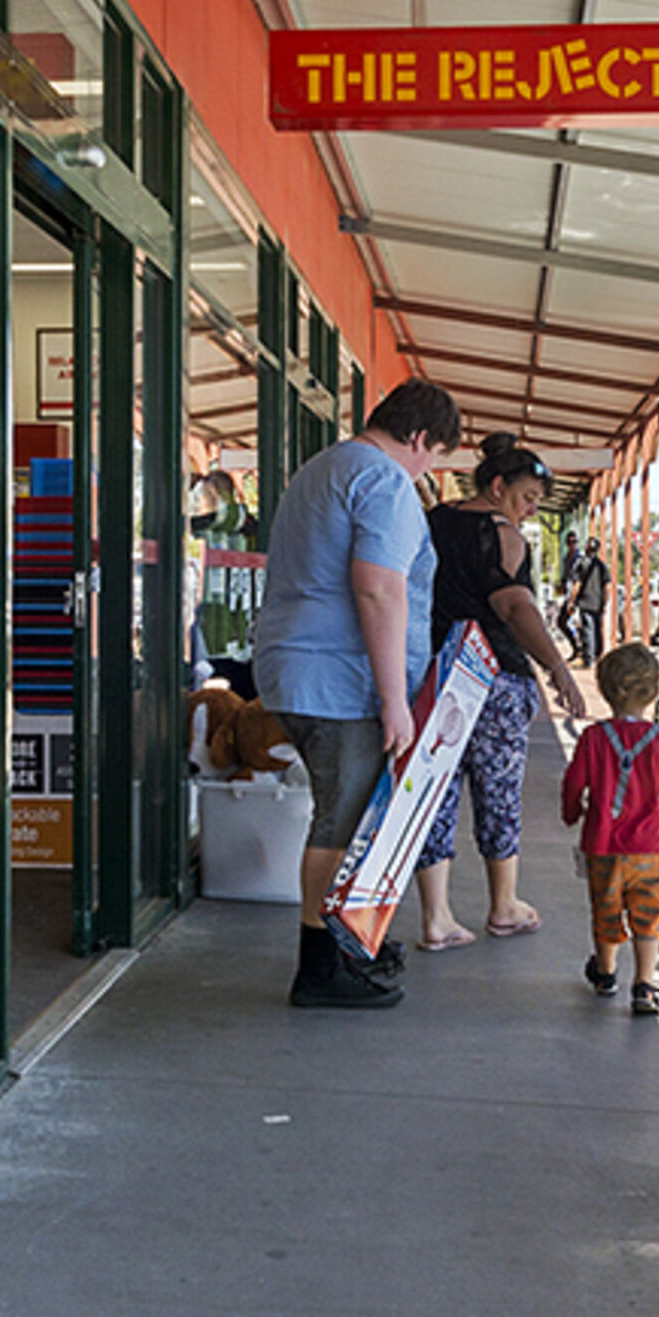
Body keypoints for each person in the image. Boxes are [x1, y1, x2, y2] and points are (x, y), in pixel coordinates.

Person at [252, 377, 463, 1009]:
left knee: (341, 819)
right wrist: (395, 697)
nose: (428, 472)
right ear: (420, 438)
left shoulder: (324, 467)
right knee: (340, 825)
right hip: (339, 682)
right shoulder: (385, 481)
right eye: (433, 457)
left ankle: (345, 948)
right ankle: (320, 969)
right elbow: (379, 588)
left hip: (296, 667)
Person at [409, 435, 586, 950]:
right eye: (527, 496)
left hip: (437, 671)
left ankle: (436, 918)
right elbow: (513, 607)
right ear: (497, 486)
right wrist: (557, 667)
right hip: (494, 676)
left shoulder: (434, 520)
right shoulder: (502, 534)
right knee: (499, 790)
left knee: (436, 790)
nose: (531, 510)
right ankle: (503, 905)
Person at [561, 641, 659, 1016]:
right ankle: (644, 985)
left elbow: (573, 783)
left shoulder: (593, 738)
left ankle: (606, 973)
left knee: (607, 909)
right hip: (648, 845)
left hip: (602, 843)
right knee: (648, 914)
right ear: (655, 693)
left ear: (603, 689)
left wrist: (571, 813)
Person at [568, 533, 609, 664]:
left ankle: (589, 658)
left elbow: (577, 584)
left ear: (586, 548)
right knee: (597, 629)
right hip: (597, 602)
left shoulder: (581, 563)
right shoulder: (601, 565)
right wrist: (604, 602)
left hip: (585, 601)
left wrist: (571, 601)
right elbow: (607, 586)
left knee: (588, 630)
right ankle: (598, 654)